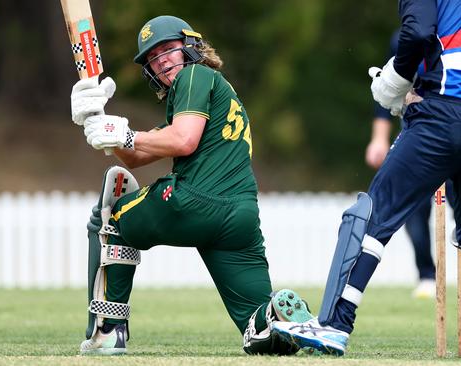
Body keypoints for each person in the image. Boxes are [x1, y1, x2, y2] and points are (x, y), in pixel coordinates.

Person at [273, 0, 461, 360]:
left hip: (445, 114)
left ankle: (333, 326)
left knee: (371, 214)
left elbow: (417, 33)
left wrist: (397, 84)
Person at [69, 15, 313, 356]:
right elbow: (139, 155)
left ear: (190, 47)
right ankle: (281, 321)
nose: (162, 60)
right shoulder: (207, 93)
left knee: (110, 219)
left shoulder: (195, 76)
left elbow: (182, 141)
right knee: (258, 330)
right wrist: (99, 122)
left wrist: (123, 134)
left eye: (168, 49)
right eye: (153, 57)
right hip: (240, 218)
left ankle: (107, 332)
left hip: (194, 201)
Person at [365, 31, 436, 298]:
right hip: (416, 134)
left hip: (459, 132)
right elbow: (389, 88)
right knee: (414, 209)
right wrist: (379, 138)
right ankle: (427, 274)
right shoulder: (405, 37)